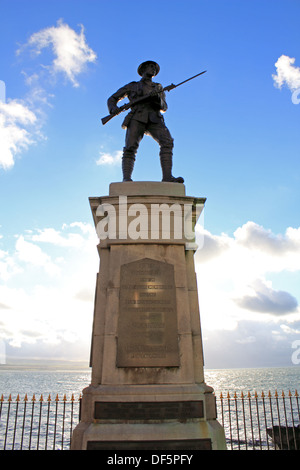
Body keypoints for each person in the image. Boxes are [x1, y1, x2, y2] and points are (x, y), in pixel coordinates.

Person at [107, 61, 184, 183]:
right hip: (137, 117)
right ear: (143, 70)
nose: (153, 69)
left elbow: (164, 107)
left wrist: (157, 98)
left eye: (154, 68)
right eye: (150, 66)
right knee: (130, 147)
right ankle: (126, 179)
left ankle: (167, 177)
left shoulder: (158, 87)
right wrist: (113, 108)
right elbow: (112, 99)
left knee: (167, 142)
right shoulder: (132, 86)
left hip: (154, 118)